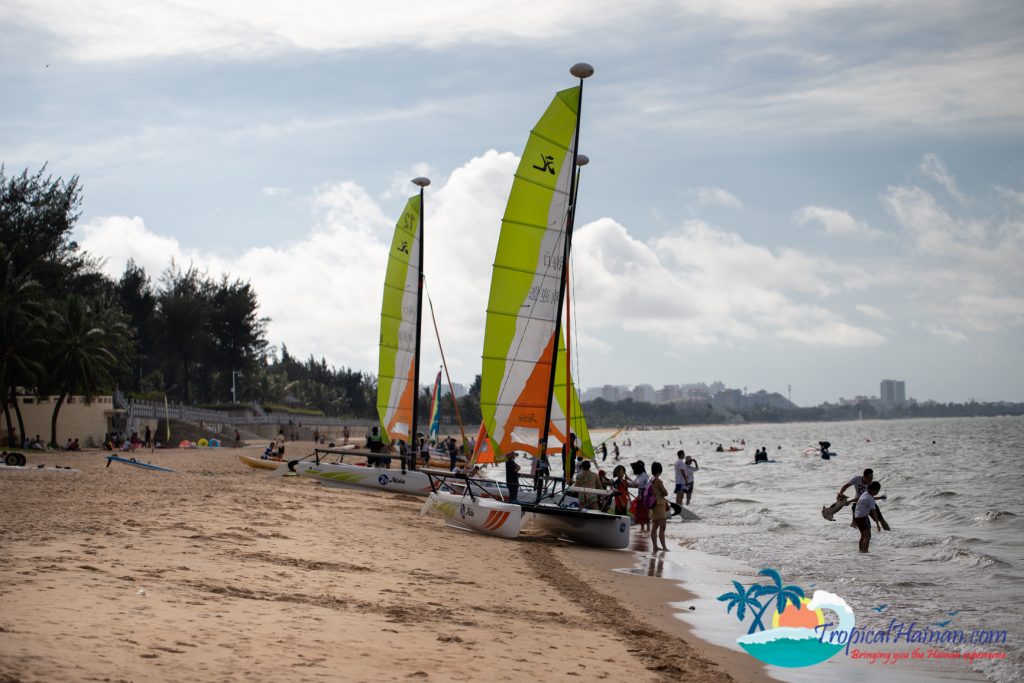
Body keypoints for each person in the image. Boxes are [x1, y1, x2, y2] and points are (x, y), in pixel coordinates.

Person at [854, 481, 883, 552]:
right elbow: (874, 512)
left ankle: (861, 551)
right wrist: (877, 524)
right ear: (875, 490)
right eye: (878, 490)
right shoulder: (870, 499)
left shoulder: (865, 493)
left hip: (857, 517)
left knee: (863, 536)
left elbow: (872, 498)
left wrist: (880, 497)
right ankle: (865, 552)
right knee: (868, 537)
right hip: (863, 518)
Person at [650, 462, 670, 551]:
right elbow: (666, 492)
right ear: (659, 471)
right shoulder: (658, 481)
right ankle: (664, 547)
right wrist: (662, 493)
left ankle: (655, 546)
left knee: (654, 527)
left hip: (654, 505)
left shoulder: (651, 480)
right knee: (662, 527)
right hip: (660, 505)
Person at [630, 461, 651, 532]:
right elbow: (634, 484)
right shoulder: (638, 475)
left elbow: (637, 483)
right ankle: (642, 527)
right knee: (639, 511)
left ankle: (648, 528)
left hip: (645, 495)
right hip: (640, 494)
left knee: (645, 511)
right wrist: (626, 481)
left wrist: (629, 479)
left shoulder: (644, 475)